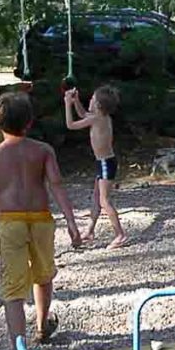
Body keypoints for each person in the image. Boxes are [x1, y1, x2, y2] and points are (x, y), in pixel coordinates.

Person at [0, 92, 81, 350]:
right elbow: (57, 185)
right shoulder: (43, 150)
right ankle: (41, 325)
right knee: (43, 273)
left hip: (10, 221)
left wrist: (6, 212)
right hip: (40, 220)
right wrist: (71, 221)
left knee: (13, 288)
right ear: (30, 122)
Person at [64, 85, 128, 249]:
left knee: (104, 200)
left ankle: (120, 235)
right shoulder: (101, 117)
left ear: (98, 105)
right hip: (103, 162)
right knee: (96, 198)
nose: (90, 101)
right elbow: (83, 114)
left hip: (106, 163)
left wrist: (67, 104)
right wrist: (76, 101)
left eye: (92, 99)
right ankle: (90, 231)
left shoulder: (96, 119)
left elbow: (71, 124)